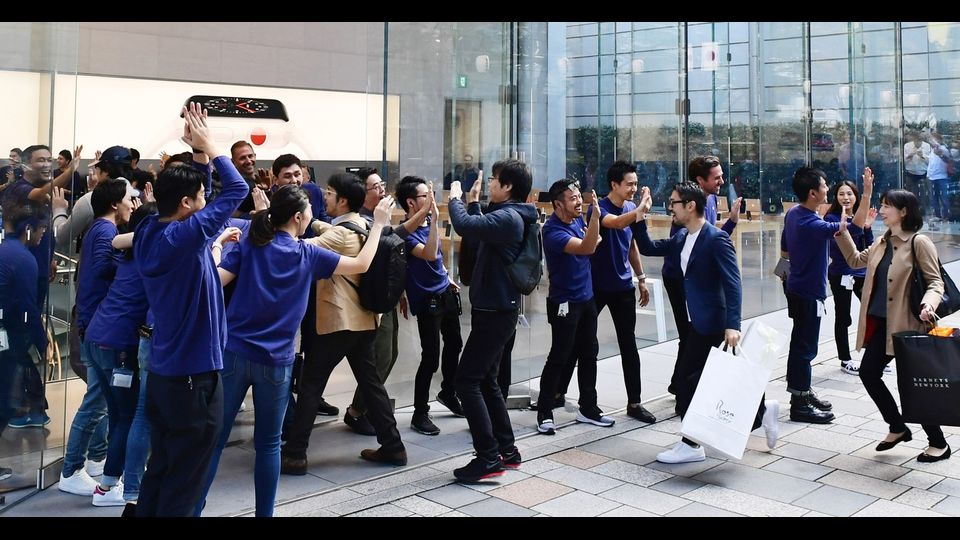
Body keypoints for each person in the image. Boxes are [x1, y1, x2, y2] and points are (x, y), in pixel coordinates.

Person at [196, 184, 389, 516]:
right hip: (276, 362)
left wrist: (216, 246)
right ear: (298, 217)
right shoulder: (307, 254)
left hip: (234, 353)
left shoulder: (252, 245)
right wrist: (381, 223)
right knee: (269, 445)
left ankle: (194, 509)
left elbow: (214, 280)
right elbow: (361, 263)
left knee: (214, 441)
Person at [133, 102, 249, 516]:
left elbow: (198, 196)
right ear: (186, 204)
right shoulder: (183, 237)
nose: (207, 199)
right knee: (187, 482)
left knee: (163, 469)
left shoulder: (151, 229)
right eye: (201, 195)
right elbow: (238, 191)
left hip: (167, 377)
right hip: (192, 380)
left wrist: (197, 154)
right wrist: (214, 147)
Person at [633, 182, 778, 463]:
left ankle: (694, 444)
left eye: (674, 203)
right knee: (694, 382)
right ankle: (758, 411)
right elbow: (650, 247)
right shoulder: (682, 237)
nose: (670, 208)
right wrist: (640, 216)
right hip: (696, 322)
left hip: (714, 323)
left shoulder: (715, 239)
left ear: (690, 206)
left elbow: (732, 283)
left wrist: (733, 324)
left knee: (697, 381)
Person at [281, 173, 405, 473]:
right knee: (371, 383)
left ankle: (295, 453)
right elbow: (330, 228)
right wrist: (316, 221)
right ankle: (393, 445)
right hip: (364, 320)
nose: (325, 196)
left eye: (330, 192)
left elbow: (296, 250)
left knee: (311, 384)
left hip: (339, 321)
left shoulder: (339, 236)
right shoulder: (363, 226)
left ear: (344, 200)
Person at [835, 189, 950, 462]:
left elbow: (936, 282)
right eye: (882, 204)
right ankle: (897, 426)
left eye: (887, 206)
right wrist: (843, 233)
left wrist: (929, 304)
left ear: (904, 212)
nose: (882, 210)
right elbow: (854, 261)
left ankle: (939, 443)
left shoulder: (918, 243)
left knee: (913, 385)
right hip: (882, 326)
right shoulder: (881, 242)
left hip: (909, 325)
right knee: (868, 374)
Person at [447, 159, 537, 482]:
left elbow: (466, 227)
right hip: (499, 308)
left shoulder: (509, 218)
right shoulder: (510, 216)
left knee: (466, 381)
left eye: (495, 180)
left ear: (508, 186)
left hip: (496, 311)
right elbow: (478, 227)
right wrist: (472, 203)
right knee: (487, 380)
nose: (491, 185)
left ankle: (487, 456)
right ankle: (507, 450)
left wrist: (455, 198)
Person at [555, 161, 655, 423]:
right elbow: (617, 223)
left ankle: (635, 403)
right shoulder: (598, 209)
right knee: (579, 343)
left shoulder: (632, 208)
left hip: (623, 287)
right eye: (629, 184)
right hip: (595, 288)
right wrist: (643, 208)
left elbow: (631, 244)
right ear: (614, 185)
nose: (633, 188)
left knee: (629, 345)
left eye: (635, 184)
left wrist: (641, 278)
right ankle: (557, 393)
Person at [781, 166, 870, 424]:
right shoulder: (812, 223)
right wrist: (866, 193)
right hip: (807, 293)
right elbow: (852, 228)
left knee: (801, 344)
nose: (827, 190)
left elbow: (785, 249)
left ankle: (803, 392)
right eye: (823, 186)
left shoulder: (794, 214)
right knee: (805, 348)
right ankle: (799, 403)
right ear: (812, 193)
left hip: (797, 288)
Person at [535, 179, 616, 436]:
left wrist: (591, 229)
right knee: (559, 355)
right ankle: (545, 412)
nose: (579, 202)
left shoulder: (578, 221)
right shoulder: (553, 231)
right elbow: (588, 246)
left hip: (586, 298)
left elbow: (592, 242)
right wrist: (594, 223)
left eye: (580, 197)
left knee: (589, 352)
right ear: (558, 204)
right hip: (564, 303)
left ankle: (588, 408)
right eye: (573, 199)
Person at [662, 156, 740, 396]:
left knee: (696, 336)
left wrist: (731, 223)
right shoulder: (687, 208)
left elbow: (711, 239)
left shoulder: (711, 200)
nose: (721, 181)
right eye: (716, 177)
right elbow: (692, 243)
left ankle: (683, 385)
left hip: (698, 279)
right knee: (690, 335)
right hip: (680, 279)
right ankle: (684, 387)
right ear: (700, 180)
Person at [394, 176, 464, 435]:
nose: (431, 199)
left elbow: (437, 261)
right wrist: (433, 218)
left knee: (455, 344)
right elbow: (429, 252)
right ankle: (419, 413)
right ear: (411, 202)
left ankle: (448, 392)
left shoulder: (426, 224)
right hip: (427, 301)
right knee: (430, 357)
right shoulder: (406, 233)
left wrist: (447, 277)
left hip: (444, 293)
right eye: (426, 195)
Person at [824, 181, 876, 374]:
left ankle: (875, 357)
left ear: (855, 196)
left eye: (849, 194)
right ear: (836, 197)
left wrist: (868, 228)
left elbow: (868, 249)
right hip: (841, 274)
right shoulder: (831, 218)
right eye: (841, 194)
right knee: (843, 317)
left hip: (861, 274)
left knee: (873, 312)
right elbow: (837, 249)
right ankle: (845, 359)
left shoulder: (860, 218)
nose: (845, 198)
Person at [903, 131, 930, 214]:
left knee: (923, 193)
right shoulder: (907, 146)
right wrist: (910, 155)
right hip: (910, 173)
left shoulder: (927, 146)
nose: (917, 142)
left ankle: (922, 211)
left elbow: (930, 162)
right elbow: (903, 161)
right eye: (916, 140)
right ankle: (910, 210)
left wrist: (922, 156)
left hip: (922, 173)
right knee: (910, 193)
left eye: (919, 140)